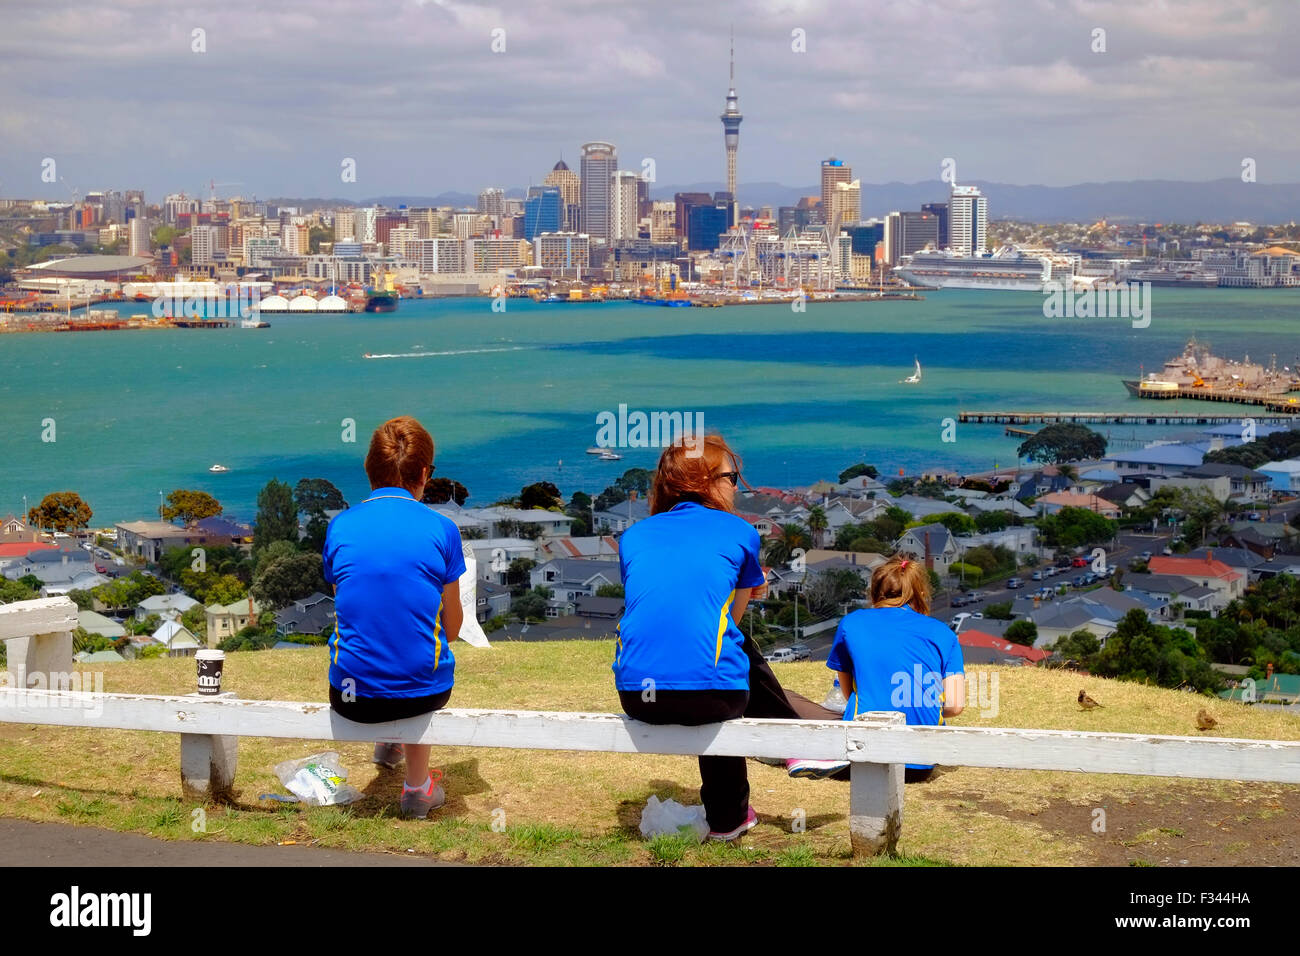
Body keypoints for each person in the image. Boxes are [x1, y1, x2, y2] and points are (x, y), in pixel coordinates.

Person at [614, 434, 845, 842]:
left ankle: (783, 760)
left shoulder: (634, 536)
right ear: (705, 481)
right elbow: (731, 625)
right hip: (711, 695)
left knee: (708, 659)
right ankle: (782, 759)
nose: (737, 486)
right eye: (732, 477)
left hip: (637, 695)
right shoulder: (739, 532)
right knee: (727, 657)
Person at [323, 416, 465, 818]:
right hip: (422, 691)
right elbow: (452, 630)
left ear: (370, 470)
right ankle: (417, 788)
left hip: (352, 696)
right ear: (423, 473)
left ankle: (389, 744)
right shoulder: (442, 529)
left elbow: (350, 608)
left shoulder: (340, 526)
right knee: (423, 658)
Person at [824, 555, 965, 782]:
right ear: (920, 592)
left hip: (860, 754)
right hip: (919, 765)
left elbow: (848, 691)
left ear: (875, 592)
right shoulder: (944, 634)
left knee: (799, 706)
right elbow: (955, 706)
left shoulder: (852, 623)